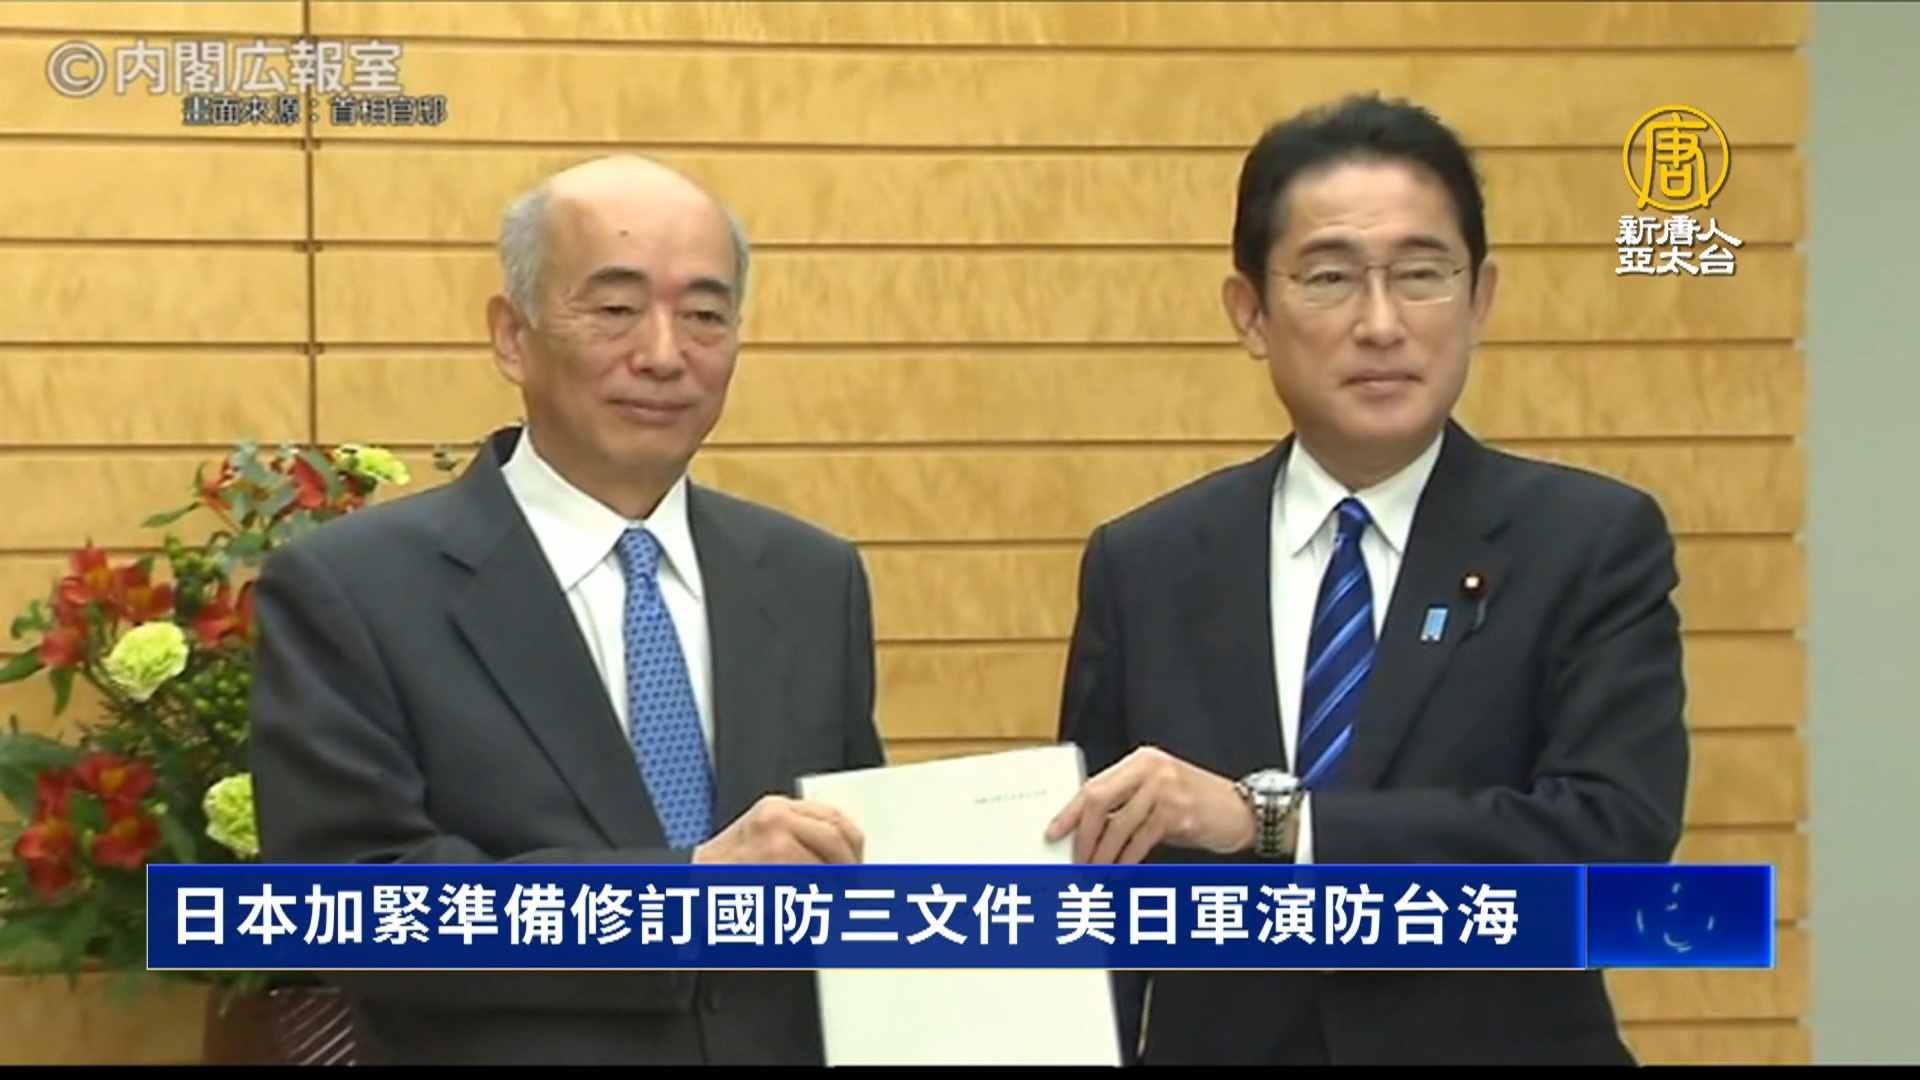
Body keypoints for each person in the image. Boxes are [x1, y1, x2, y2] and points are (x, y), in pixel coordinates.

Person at [1044, 93, 1690, 1065]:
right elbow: (1099, 886)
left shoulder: (1588, 542)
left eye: (1422, 275)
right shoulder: (1147, 563)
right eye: (1331, 278)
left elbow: (1611, 840)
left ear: (1480, 298)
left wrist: (1272, 824)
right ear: (1250, 313)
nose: (1381, 324)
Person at [248, 155, 886, 1065]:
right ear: (512, 337)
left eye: (705, 315)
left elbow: (850, 874)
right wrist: (689, 895)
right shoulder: (353, 588)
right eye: (616, 308)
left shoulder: (812, 577)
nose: (663, 354)